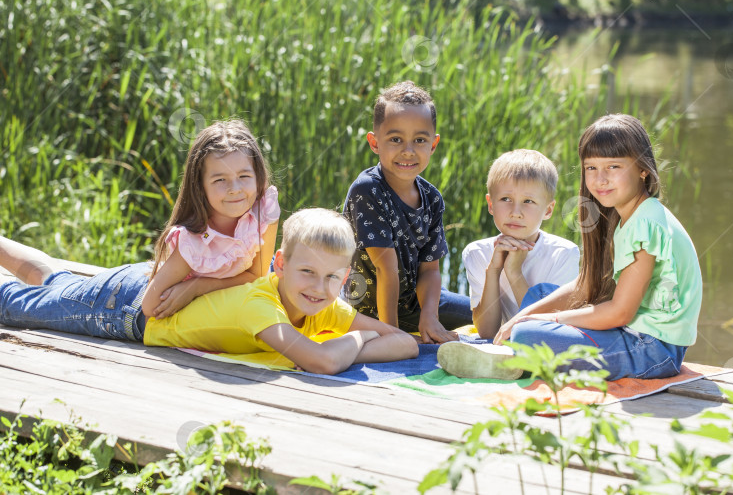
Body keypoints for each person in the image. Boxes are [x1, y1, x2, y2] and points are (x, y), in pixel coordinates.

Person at [439, 114, 702, 381]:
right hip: (633, 335)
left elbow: (621, 312)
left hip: (651, 350)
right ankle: (518, 353)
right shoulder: (632, 217)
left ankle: (514, 360)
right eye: (591, 168)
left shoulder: (645, 224)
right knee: (539, 297)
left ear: (642, 169)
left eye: (613, 167)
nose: (601, 180)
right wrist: (528, 314)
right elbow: (587, 283)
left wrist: (547, 321)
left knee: (529, 333)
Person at [0, 209, 419, 374]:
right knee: (15, 305)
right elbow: (323, 360)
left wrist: (350, 338)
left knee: (53, 281)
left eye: (332, 278)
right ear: (280, 265)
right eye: (307, 271)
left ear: (345, 279)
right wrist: (361, 337)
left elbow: (405, 344)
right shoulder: (262, 303)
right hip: (128, 310)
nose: (318, 287)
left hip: (153, 289)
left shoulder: (323, 304)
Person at [342, 81, 471, 344]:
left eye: (419, 140)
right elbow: (385, 269)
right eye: (396, 139)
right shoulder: (368, 190)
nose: (408, 151)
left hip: (414, 302)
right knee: (398, 346)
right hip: (368, 310)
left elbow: (431, 270)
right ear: (374, 142)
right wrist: (393, 334)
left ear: (433, 145)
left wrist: (430, 316)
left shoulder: (432, 198)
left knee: (486, 313)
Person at [141, 119, 280, 320]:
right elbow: (150, 306)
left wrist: (198, 287)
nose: (235, 189)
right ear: (200, 186)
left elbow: (258, 274)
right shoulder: (195, 242)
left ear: (257, 176)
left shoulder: (264, 211)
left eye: (244, 176)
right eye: (220, 180)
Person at [462, 149, 579, 340]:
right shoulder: (477, 253)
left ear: (548, 210)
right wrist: (493, 271)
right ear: (491, 204)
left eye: (528, 201)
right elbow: (488, 333)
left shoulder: (564, 254)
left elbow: (548, 332)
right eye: (506, 199)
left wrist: (515, 273)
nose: (515, 212)